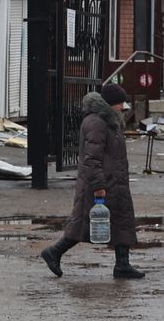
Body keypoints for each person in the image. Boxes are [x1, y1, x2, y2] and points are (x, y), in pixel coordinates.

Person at [41, 83, 144, 280]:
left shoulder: (109, 121)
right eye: (120, 103)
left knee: (121, 220)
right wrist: (98, 185)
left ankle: (123, 265)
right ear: (109, 104)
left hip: (114, 181)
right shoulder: (97, 123)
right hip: (100, 183)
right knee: (84, 224)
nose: (122, 107)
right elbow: (91, 159)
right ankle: (54, 252)